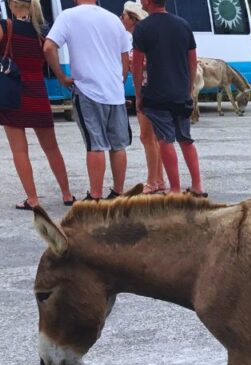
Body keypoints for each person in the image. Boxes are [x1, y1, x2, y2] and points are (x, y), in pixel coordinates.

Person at [43, 0, 132, 201]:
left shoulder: (69, 16)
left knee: (96, 145)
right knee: (118, 146)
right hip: (115, 93)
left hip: (88, 91)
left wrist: (61, 77)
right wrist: (120, 79)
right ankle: (118, 193)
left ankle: (95, 196)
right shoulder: (113, 19)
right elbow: (125, 54)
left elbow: (49, 47)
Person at [0, 0, 73, 210]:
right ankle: (67, 194)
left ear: (13, 4)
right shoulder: (41, 31)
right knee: (51, 147)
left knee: (19, 150)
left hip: (12, 93)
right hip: (38, 92)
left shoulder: (6, 26)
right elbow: (51, 55)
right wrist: (61, 77)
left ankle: (33, 199)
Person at [132, 0, 204, 197]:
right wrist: (188, 89)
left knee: (165, 140)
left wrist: (138, 94)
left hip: (157, 94)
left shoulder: (142, 28)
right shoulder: (183, 24)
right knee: (186, 139)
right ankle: (198, 185)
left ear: (148, 2)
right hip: (181, 93)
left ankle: (174, 189)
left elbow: (136, 66)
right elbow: (192, 61)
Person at [120, 1, 163, 194]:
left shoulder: (139, 37)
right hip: (156, 88)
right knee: (154, 137)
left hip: (147, 89)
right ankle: (159, 179)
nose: (121, 18)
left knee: (147, 136)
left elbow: (142, 63)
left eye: (124, 15)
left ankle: (152, 181)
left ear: (133, 18)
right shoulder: (142, 35)